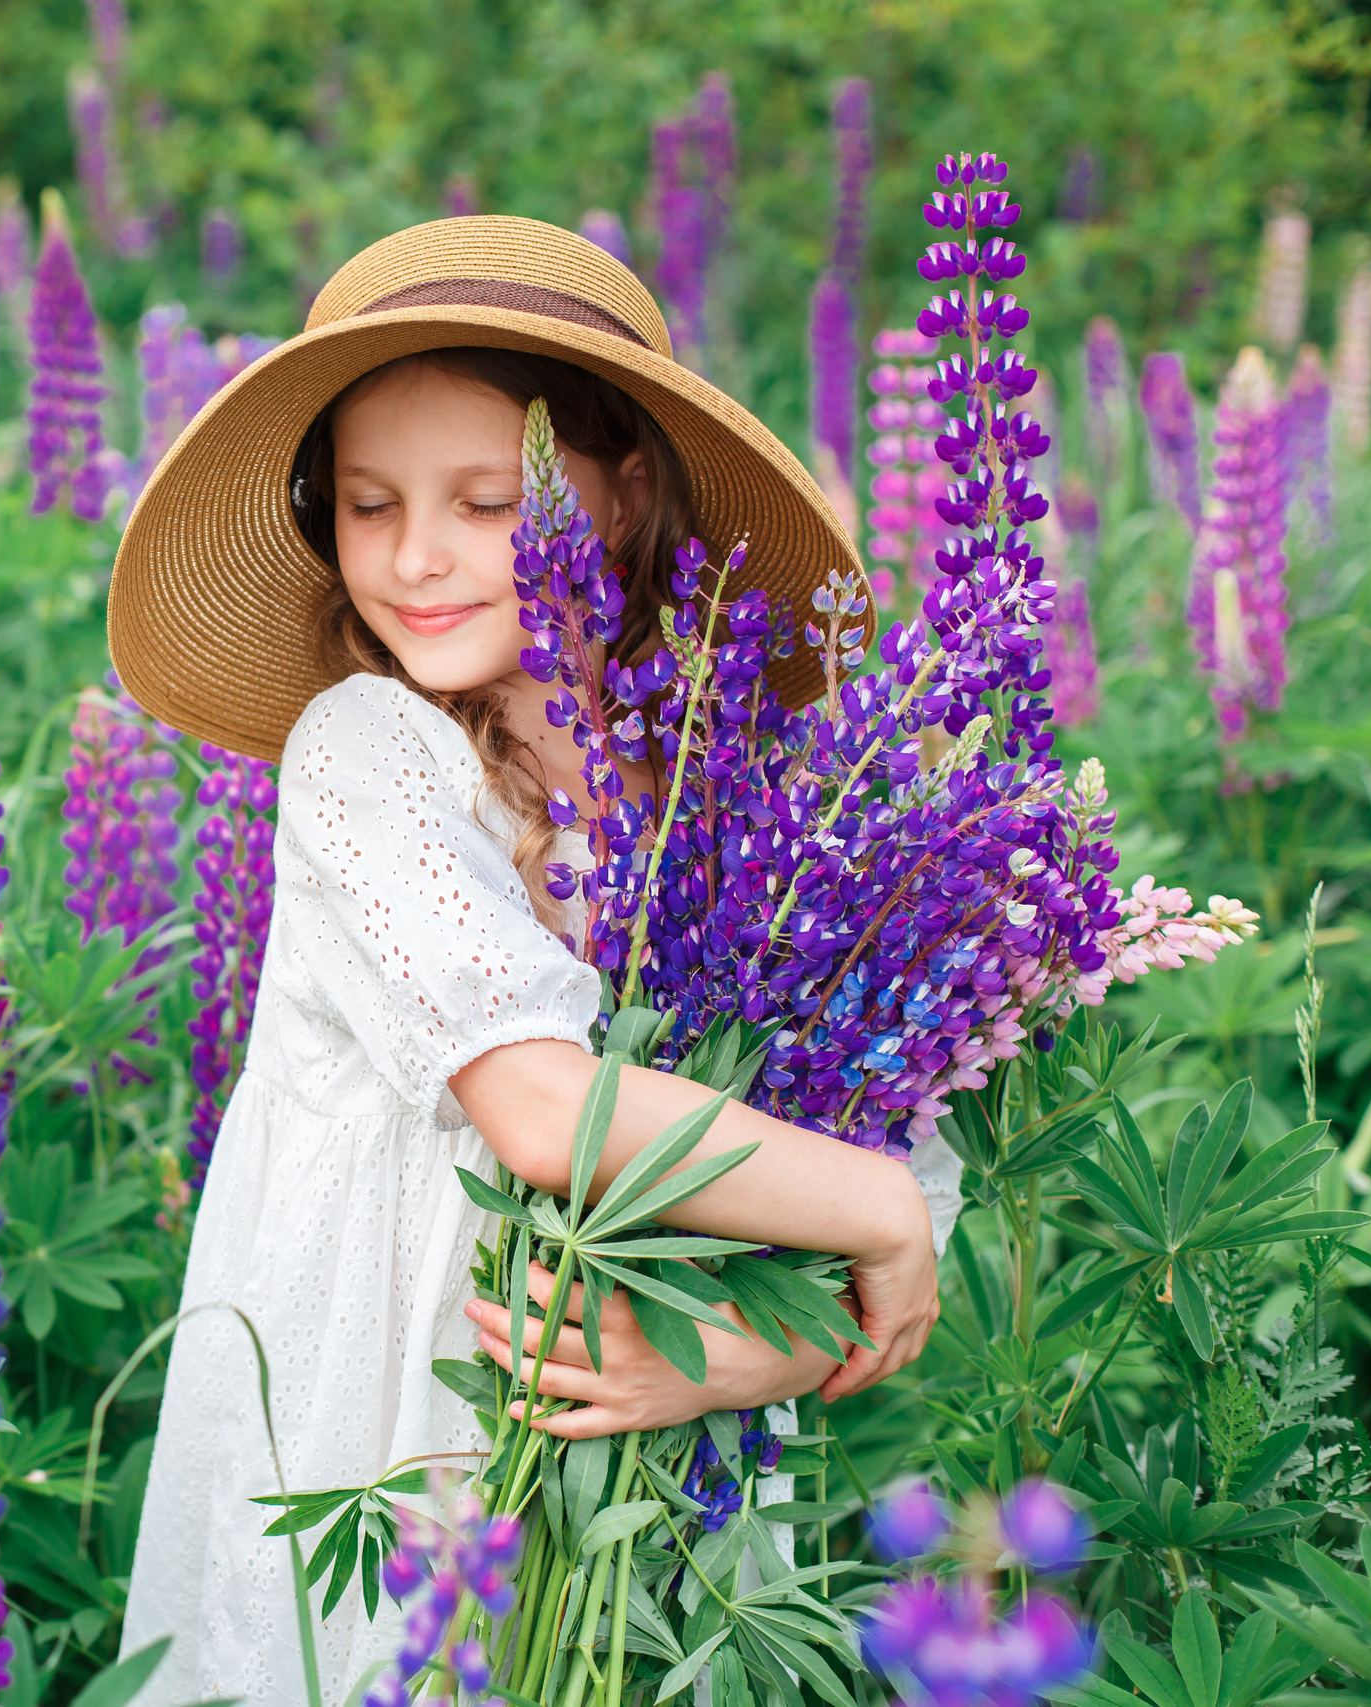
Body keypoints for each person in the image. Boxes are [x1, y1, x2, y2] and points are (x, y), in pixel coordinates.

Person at [105, 217, 963, 1701]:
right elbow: (541, 1106)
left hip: (651, 1497)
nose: (416, 556)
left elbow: (897, 1147)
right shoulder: (369, 753)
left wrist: (742, 1356)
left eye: (487, 501)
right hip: (382, 1455)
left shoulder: (730, 793)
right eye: (368, 507)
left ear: (622, 495)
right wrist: (875, 1212)